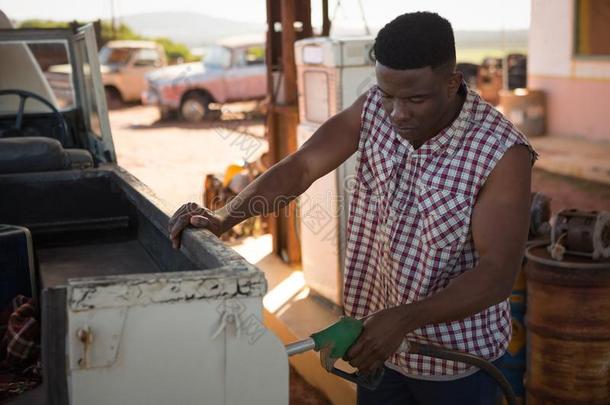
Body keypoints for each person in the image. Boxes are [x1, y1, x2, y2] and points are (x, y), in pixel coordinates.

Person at [168, 11, 535, 405]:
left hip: (455, 364)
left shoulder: (500, 153)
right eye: (388, 95)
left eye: (415, 99)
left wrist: (405, 318)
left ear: (452, 83)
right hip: (374, 346)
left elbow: (497, 274)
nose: (397, 114)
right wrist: (225, 217)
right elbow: (303, 165)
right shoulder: (374, 107)